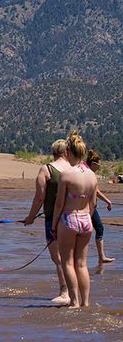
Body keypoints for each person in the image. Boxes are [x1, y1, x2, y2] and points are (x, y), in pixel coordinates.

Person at [51, 132, 98, 308]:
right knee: (82, 264)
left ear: (68, 151)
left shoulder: (66, 174)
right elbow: (93, 204)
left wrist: (54, 225)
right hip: (86, 219)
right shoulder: (92, 176)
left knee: (67, 263)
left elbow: (59, 204)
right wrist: (89, 219)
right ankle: (85, 303)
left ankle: (74, 302)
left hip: (69, 219)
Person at [24, 138, 72, 305]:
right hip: (76, 217)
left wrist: (30, 217)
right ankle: (78, 294)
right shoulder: (76, 169)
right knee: (74, 257)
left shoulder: (47, 169)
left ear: (53, 153)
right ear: (67, 152)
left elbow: (39, 198)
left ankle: (65, 292)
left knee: (58, 258)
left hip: (53, 218)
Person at [85, 151, 115, 264]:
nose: (99, 168)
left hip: (89, 207)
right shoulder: (90, 174)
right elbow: (96, 191)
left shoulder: (85, 172)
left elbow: (96, 191)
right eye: (98, 165)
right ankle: (100, 257)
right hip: (89, 208)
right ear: (93, 164)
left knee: (97, 229)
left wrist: (108, 201)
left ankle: (100, 256)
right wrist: (108, 202)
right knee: (96, 229)